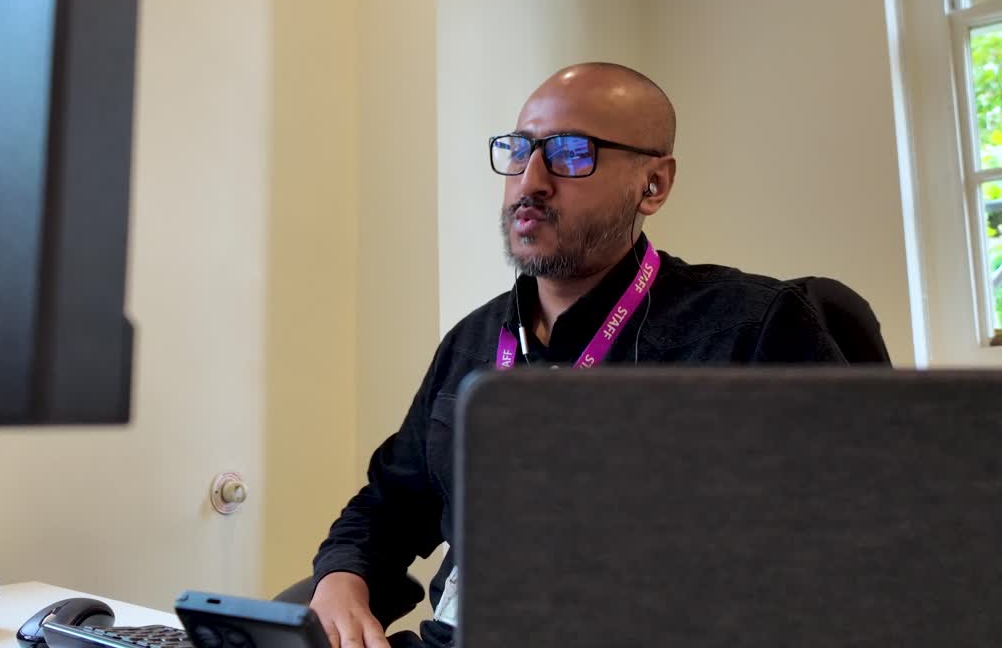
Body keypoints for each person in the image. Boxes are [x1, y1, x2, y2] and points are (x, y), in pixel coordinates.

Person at [307, 62, 847, 648]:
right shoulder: (472, 341)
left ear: (654, 184)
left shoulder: (751, 329)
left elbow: (847, 549)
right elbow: (388, 504)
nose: (530, 181)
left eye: (570, 152)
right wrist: (342, 579)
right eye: (520, 150)